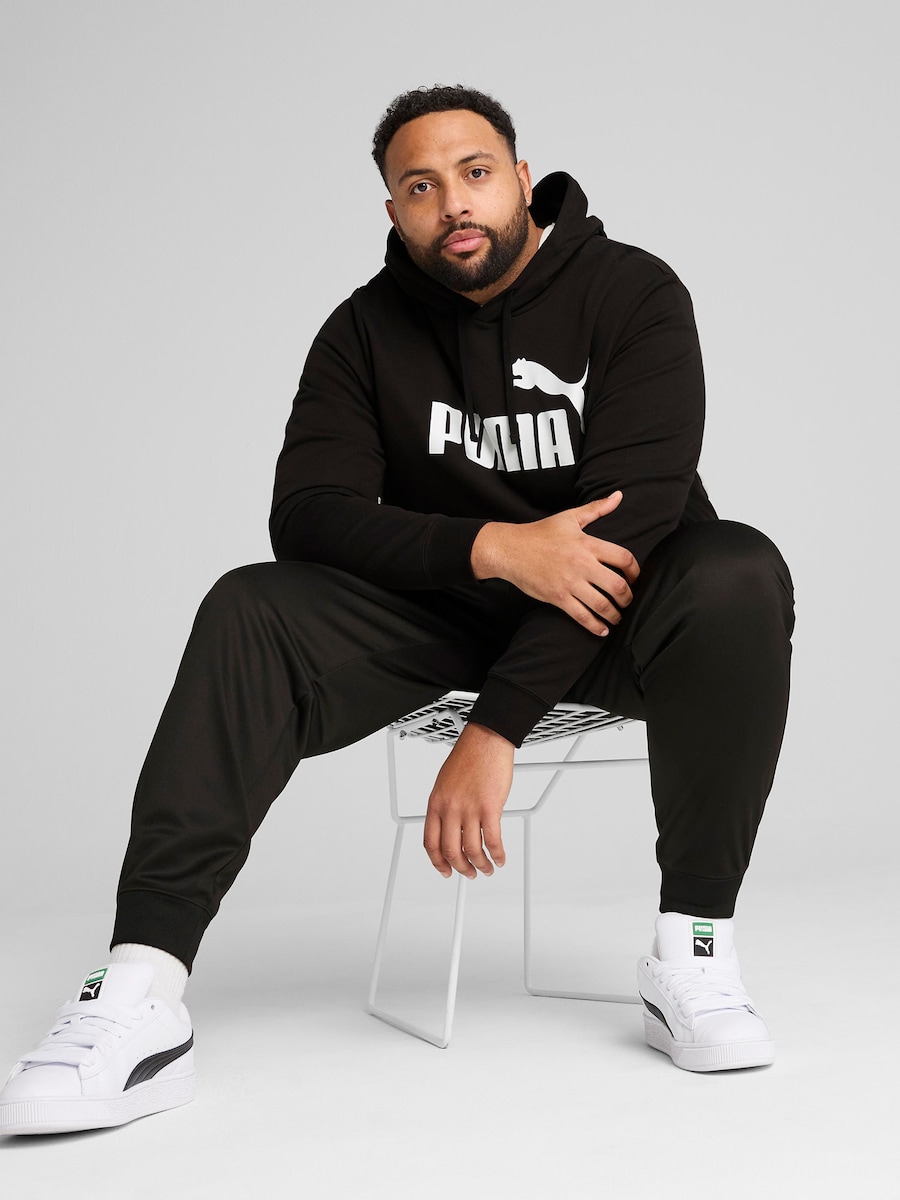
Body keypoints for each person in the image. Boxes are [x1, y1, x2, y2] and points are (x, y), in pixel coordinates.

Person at [0, 84, 794, 1136]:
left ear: (522, 179)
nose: (452, 203)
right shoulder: (363, 332)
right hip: (444, 619)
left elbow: (628, 526)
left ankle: (693, 949)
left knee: (736, 571)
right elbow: (307, 516)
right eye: (420, 188)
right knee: (250, 607)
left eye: (475, 173)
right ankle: (140, 990)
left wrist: (496, 727)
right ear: (393, 212)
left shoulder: (632, 291)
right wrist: (491, 547)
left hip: (614, 621)